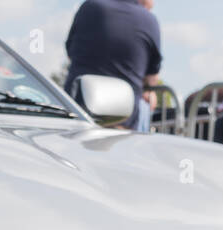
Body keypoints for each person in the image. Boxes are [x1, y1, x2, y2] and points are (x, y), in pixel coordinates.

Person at [64, 0, 162, 132]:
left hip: (75, 110)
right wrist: (149, 91)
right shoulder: (149, 20)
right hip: (123, 119)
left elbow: (70, 54)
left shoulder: (89, 6)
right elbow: (151, 78)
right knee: (146, 105)